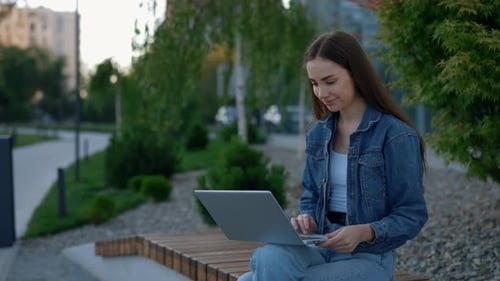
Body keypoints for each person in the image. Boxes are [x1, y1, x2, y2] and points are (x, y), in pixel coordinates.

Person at [237, 31, 428, 281]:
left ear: (356, 75)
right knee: (267, 258)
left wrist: (365, 231)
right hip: (321, 245)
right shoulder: (319, 133)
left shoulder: (395, 135)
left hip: (369, 257)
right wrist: (307, 220)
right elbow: (311, 195)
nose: (321, 93)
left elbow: (411, 214)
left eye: (329, 81)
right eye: (314, 84)